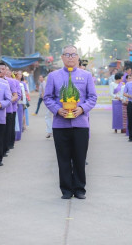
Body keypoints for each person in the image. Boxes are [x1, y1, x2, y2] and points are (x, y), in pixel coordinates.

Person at [44, 45, 97, 199]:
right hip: (60, 124)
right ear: (62, 57)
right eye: (67, 54)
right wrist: (57, 110)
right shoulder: (53, 76)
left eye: (73, 54)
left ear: (77, 57)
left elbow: (92, 97)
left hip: (80, 124)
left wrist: (82, 109)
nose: (70, 57)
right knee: (63, 158)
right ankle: (66, 190)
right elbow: (47, 97)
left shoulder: (86, 75)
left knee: (80, 158)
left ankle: (80, 189)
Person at [123, 70, 132, 142]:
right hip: (130, 103)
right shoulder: (128, 84)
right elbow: (124, 93)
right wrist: (130, 96)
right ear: (131, 76)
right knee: (131, 120)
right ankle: (131, 136)